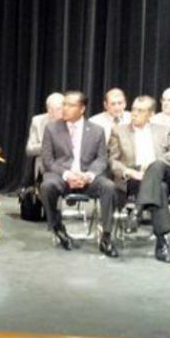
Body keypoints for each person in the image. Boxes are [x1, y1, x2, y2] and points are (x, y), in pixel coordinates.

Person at [40, 91, 120, 257]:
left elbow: (101, 159)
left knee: (109, 187)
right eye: (64, 104)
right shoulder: (52, 129)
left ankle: (106, 236)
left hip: (87, 178)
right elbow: (48, 161)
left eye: (70, 105)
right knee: (47, 186)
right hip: (62, 177)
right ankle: (57, 227)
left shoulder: (96, 130)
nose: (65, 108)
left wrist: (89, 175)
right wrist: (67, 175)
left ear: (82, 109)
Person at [109, 96, 170, 263]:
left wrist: (154, 164)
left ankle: (137, 211)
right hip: (135, 177)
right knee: (160, 188)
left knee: (157, 168)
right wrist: (128, 171)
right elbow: (112, 161)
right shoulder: (118, 131)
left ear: (151, 114)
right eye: (133, 109)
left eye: (140, 111)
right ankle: (162, 243)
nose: (134, 113)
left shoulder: (164, 130)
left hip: (163, 171)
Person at [25, 93, 65, 183]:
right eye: (59, 108)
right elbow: (29, 150)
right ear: (49, 110)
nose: (63, 110)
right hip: (45, 167)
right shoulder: (37, 121)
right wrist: (47, 145)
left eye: (64, 107)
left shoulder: (70, 121)